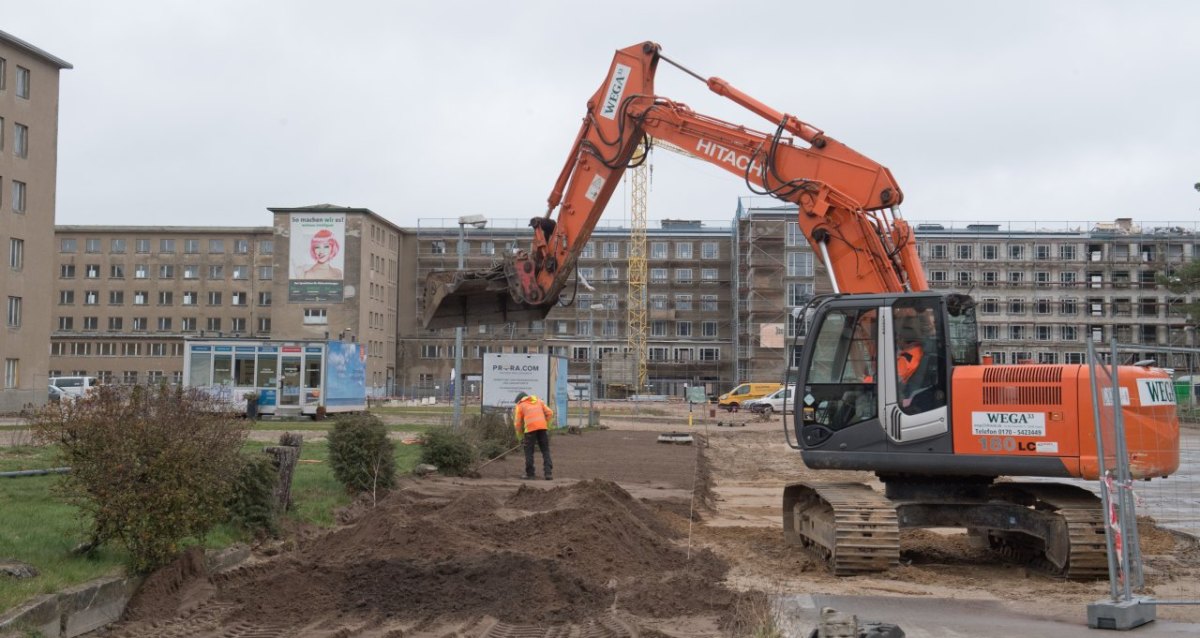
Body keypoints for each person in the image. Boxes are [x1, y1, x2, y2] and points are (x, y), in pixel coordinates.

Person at [514, 392, 554, 480]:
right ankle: (548, 473)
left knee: (529, 452)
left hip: (530, 430)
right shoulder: (539, 401)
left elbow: (518, 424)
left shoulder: (520, 405)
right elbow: (550, 413)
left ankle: (530, 474)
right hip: (542, 428)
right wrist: (547, 426)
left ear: (519, 400)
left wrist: (520, 438)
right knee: (545, 450)